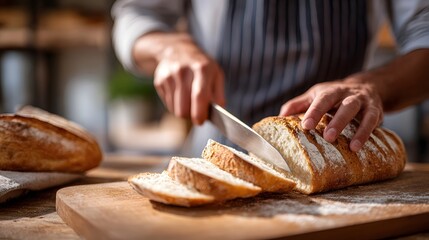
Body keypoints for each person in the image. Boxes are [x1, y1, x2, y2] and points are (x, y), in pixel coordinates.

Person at [112, 0, 429, 156]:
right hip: (217, 146)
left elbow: (423, 30)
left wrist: (373, 85)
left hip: (339, 150)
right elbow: (137, 13)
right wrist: (168, 48)